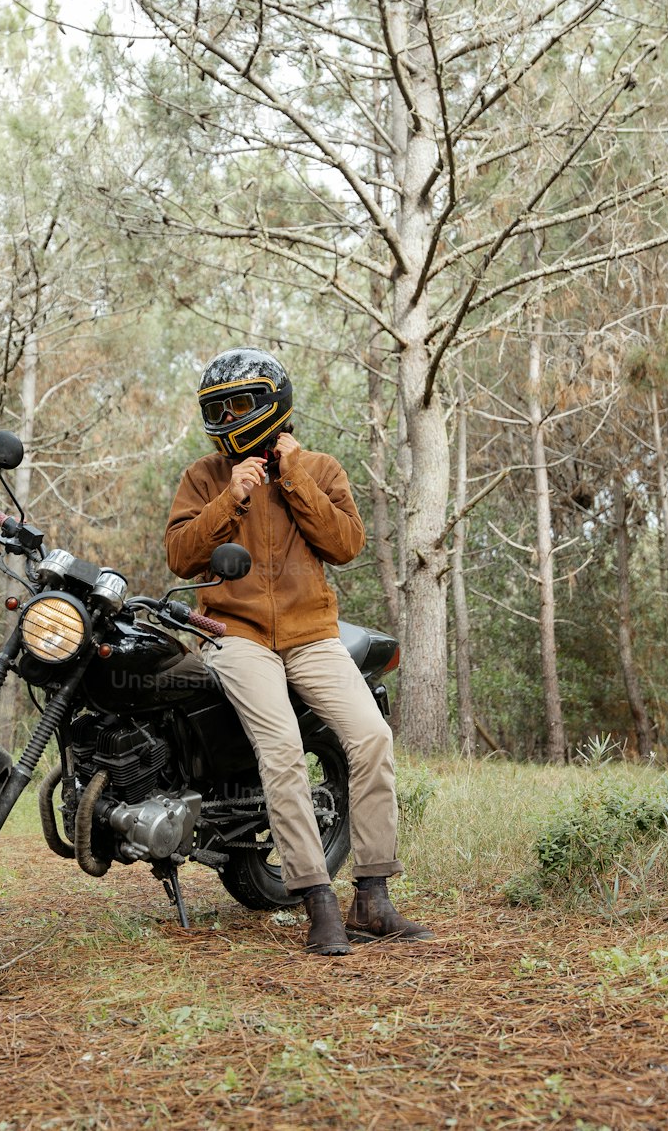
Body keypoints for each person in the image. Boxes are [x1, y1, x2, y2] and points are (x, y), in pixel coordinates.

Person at [165, 346, 432, 955]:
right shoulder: (204, 477)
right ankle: (316, 899)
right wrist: (230, 497)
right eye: (218, 408)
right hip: (235, 636)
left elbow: (345, 544)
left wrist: (294, 477)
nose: (228, 417)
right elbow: (180, 556)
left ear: (270, 405)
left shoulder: (319, 466)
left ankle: (372, 897)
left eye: (238, 404)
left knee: (372, 738)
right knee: (281, 747)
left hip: (313, 635)